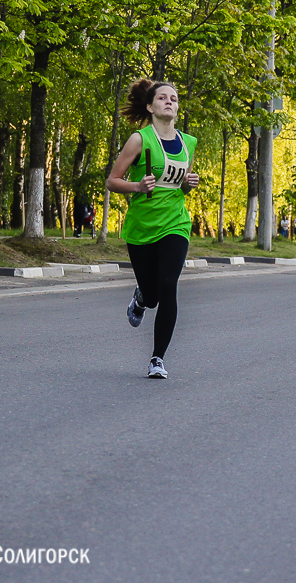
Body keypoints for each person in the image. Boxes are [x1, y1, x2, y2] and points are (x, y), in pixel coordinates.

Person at [106, 79, 199, 380]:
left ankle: (157, 358)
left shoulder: (189, 143)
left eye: (174, 98)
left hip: (175, 223)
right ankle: (142, 298)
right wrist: (136, 185)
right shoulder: (139, 139)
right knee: (153, 294)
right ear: (150, 106)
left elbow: (179, 187)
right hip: (142, 226)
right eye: (163, 98)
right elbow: (112, 181)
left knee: (168, 285)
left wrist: (187, 185)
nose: (170, 102)